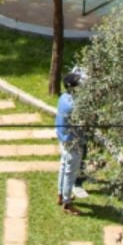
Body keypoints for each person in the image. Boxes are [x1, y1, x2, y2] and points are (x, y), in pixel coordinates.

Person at [54, 70, 84, 208]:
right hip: (73, 141)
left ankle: (61, 195)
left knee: (63, 165)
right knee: (71, 171)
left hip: (62, 137)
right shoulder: (74, 106)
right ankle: (67, 202)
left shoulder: (63, 98)